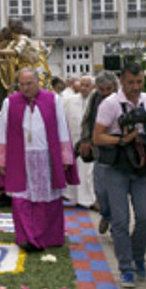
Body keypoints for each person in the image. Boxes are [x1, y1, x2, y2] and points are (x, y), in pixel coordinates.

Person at [0, 68, 78, 252]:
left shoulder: (53, 99)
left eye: (29, 84)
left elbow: (62, 127)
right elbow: (3, 132)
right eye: (21, 84)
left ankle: (49, 237)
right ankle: (27, 237)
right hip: (19, 158)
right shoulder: (10, 102)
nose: (25, 88)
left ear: (37, 82)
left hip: (46, 156)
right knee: (22, 198)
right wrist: (1, 160)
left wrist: (65, 156)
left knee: (47, 198)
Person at [93, 62, 146, 289]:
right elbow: (97, 137)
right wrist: (121, 139)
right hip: (117, 166)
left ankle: (138, 255)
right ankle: (126, 268)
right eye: (131, 82)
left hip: (140, 165)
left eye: (140, 82)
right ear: (122, 81)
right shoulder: (109, 104)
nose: (136, 87)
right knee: (120, 220)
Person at [77, 71, 118, 234]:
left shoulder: (122, 98)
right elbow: (87, 120)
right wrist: (86, 140)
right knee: (100, 189)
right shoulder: (95, 98)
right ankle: (106, 214)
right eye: (102, 89)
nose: (106, 93)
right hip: (99, 150)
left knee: (117, 190)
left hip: (119, 150)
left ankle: (117, 228)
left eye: (109, 89)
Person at [63, 75, 95, 208]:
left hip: (91, 143)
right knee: (76, 170)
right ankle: (75, 197)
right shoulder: (70, 100)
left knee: (89, 172)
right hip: (74, 141)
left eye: (87, 85)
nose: (84, 88)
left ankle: (90, 199)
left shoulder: (96, 100)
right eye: (82, 85)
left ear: (93, 87)